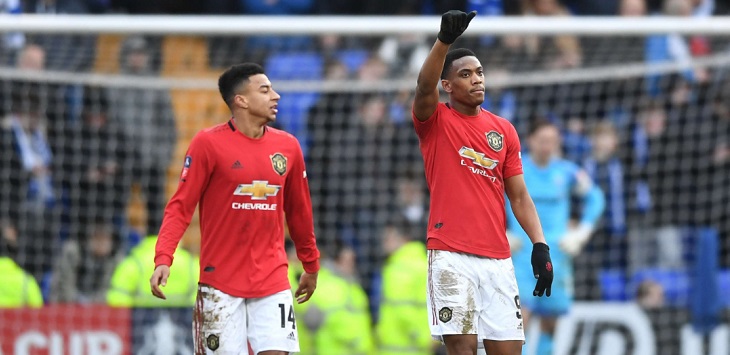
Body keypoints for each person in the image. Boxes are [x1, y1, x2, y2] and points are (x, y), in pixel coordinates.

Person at [149, 63, 320, 355]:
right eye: (265, 90)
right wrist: (164, 256)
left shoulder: (288, 147)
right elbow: (180, 206)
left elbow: (299, 212)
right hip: (220, 283)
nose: (275, 96)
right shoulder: (208, 144)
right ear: (240, 100)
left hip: (273, 278)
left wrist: (310, 263)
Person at [412, 10, 553, 355]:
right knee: (463, 349)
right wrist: (444, 42)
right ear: (448, 86)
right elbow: (422, 86)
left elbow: (519, 196)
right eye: (465, 74)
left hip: (498, 259)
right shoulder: (435, 120)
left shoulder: (503, 130)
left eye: (479, 72)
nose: (477, 79)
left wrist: (540, 245)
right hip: (450, 254)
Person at [506, 120, 605, 355]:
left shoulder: (567, 172)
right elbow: (486, 199)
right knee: (521, 321)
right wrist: (501, 232)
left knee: (550, 323)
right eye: (542, 141)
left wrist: (582, 232)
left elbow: (596, 198)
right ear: (530, 140)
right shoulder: (515, 169)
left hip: (556, 257)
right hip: (522, 255)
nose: (547, 146)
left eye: (552, 141)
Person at [300, 239, 375, 355]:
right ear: (337, 261)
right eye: (349, 261)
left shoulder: (351, 285)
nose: (352, 265)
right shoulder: (326, 285)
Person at [376, 220, 433, 355]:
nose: (384, 242)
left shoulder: (398, 268)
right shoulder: (423, 262)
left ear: (403, 238)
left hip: (399, 347)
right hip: (420, 347)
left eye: (388, 238)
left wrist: (421, 337)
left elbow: (402, 309)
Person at [108, 233, 198, 307]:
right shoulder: (190, 262)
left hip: (140, 324)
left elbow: (117, 300)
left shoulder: (133, 263)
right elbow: (200, 299)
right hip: (183, 325)